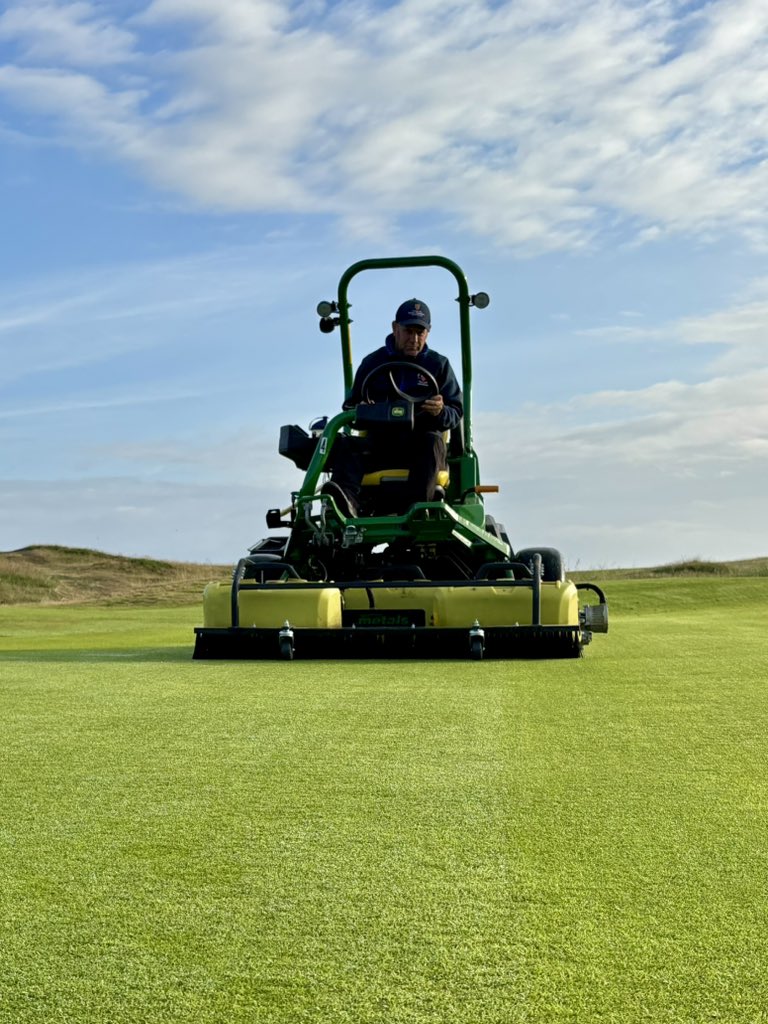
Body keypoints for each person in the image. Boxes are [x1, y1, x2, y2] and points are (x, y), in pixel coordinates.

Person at [321, 298, 463, 517]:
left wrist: (441, 411)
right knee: (345, 444)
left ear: (428, 332)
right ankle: (346, 502)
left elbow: (456, 411)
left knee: (433, 441)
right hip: (380, 444)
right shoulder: (373, 363)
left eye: (420, 332)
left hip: (420, 446)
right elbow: (350, 407)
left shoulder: (438, 365)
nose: (414, 339)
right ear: (395, 328)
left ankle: (417, 510)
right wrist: (362, 408)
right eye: (408, 331)